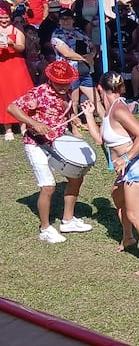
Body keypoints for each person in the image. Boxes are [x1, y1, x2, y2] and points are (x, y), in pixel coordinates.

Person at [80, 72, 139, 275]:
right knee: (117, 198)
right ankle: (128, 237)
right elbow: (99, 140)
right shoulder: (109, 110)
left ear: (99, 89)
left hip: (137, 165)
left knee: (135, 214)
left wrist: (125, 158)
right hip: (126, 167)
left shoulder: (119, 109)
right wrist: (89, 116)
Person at [7, 60, 93, 243]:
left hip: (58, 143)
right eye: (59, 83)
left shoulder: (69, 92)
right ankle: (45, 228)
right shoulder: (39, 93)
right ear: (51, 79)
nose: (63, 87)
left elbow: (66, 112)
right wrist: (34, 123)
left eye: (66, 83)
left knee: (76, 177)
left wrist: (74, 121)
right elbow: (12, 107)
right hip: (36, 143)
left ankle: (67, 220)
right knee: (48, 186)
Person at [0, 1, 33, 141]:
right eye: (1, 18)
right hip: (2, 66)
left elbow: (21, 47)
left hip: (16, 65)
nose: (3, 21)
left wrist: (12, 44)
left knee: (20, 94)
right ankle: (7, 128)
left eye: (6, 17)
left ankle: (23, 126)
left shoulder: (16, 29)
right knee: (4, 95)